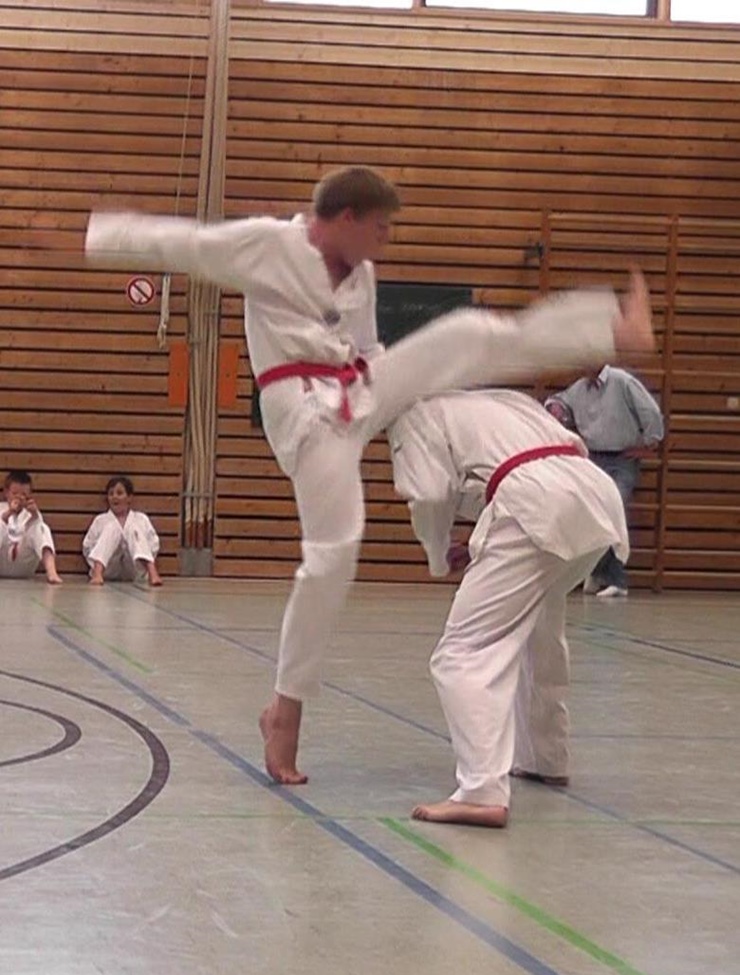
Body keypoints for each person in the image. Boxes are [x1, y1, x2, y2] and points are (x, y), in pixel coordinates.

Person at [85, 164, 654, 785]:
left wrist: (407, 383)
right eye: (379, 228)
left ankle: (608, 327)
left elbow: (368, 348)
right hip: (304, 412)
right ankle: (285, 711)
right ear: (346, 218)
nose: (385, 240)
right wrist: (92, 237)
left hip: (360, 387)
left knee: (465, 333)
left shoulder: (362, 274)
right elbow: (181, 244)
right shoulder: (267, 245)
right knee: (335, 553)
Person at [388, 388, 629, 827]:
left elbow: (429, 496)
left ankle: (481, 790)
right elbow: (544, 454)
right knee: (540, 626)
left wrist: (438, 555)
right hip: (593, 494)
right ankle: (544, 757)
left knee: (463, 652)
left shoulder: (411, 417)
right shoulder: (493, 400)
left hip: (537, 503)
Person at [548, 366, 664, 597]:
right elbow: (560, 401)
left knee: (613, 510)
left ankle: (615, 579)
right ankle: (597, 572)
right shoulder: (579, 387)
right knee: (590, 514)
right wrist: (555, 408)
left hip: (621, 459)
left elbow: (650, 411)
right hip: (592, 458)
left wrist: (649, 443)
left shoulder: (623, 382)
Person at [82, 475, 162, 586]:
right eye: (111, 494)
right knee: (112, 528)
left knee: (133, 528)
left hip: (134, 567)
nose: (114, 497)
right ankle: (97, 573)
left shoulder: (141, 519)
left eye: (119, 493)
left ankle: (152, 572)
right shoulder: (100, 520)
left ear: (129, 498)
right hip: (108, 567)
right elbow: (88, 546)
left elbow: (153, 543)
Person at [0, 470, 62, 583]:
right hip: (2, 561)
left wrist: (34, 515)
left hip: (24, 564)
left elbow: (40, 534)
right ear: (6, 493)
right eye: (14, 493)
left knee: (41, 527)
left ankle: (52, 573)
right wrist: (9, 513)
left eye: (23, 494)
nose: (18, 498)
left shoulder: (31, 513)